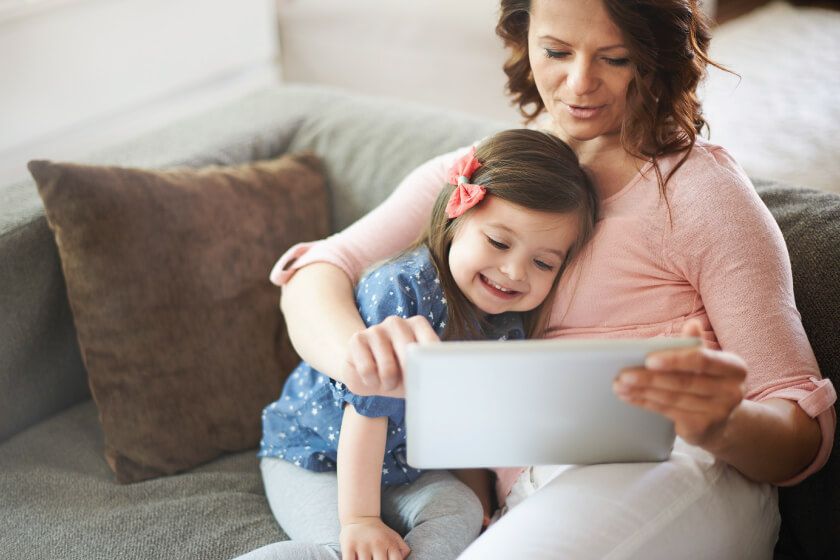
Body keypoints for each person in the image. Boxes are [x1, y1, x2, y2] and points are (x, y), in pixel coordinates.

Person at [269, 1, 837, 558]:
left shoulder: (700, 193)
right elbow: (313, 271)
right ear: (524, 37)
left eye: (615, 58)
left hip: (676, 464)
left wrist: (724, 422)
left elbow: (801, 427)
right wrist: (359, 358)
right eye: (557, 51)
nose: (580, 82)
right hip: (527, 492)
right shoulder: (494, 175)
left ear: (656, 56)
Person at [240, 129, 598, 560]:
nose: (514, 271)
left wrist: (481, 496)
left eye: (543, 263)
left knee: (460, 510)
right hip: (317, 453)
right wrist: (361, 522)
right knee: (338, 549)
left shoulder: (508, 321)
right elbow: (368, 412)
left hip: (407, 466)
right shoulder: (402, 289)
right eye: (499, 242)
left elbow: (465, 420)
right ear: (455, 217)